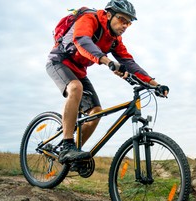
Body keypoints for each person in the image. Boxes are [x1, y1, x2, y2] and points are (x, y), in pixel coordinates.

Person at [46, 0, 169, 164]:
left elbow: (130, 63)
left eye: (129, 23)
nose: (125, 25)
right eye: (122, 19)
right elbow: (82, 40)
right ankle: (67, 146)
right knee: (75, 87)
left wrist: (156, 85)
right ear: (109, 15)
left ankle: (73, 156)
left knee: (96, 113)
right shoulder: (90, 19)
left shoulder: (114, 40)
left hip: (79, 70)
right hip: (59, 61)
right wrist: (107, 61)